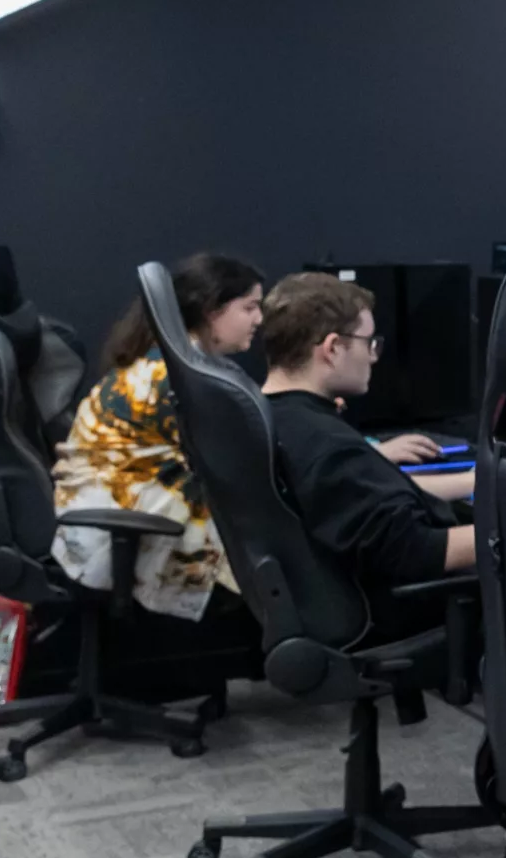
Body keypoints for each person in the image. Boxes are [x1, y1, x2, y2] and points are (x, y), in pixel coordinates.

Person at [53, 252, 266, 619]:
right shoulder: (169, 380)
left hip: (121, 520)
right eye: (249, 307)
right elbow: (245, 460)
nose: (259, 320)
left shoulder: (169, 366)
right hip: (121, 534)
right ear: (211, 308)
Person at [257, 272, 474, 629]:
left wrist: (478, 481)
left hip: (332, 602)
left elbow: (370, 497)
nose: (373, 357)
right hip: (392, 609)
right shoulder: (327, 444)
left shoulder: (280, 419)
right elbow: (415, 550)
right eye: (368, 343)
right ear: (332, 348)